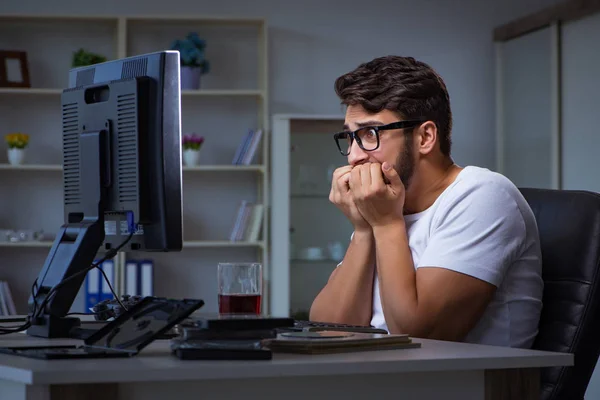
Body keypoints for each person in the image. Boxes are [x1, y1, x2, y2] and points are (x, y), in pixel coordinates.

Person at [309, 55, 544, 348]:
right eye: (350, 137)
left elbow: (420, 337)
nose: (355, 155)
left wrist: (384, 223)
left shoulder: (483, 194)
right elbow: (328, 331)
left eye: (370, 134)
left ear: (425, 138)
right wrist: (364, 229)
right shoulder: (387, 206)